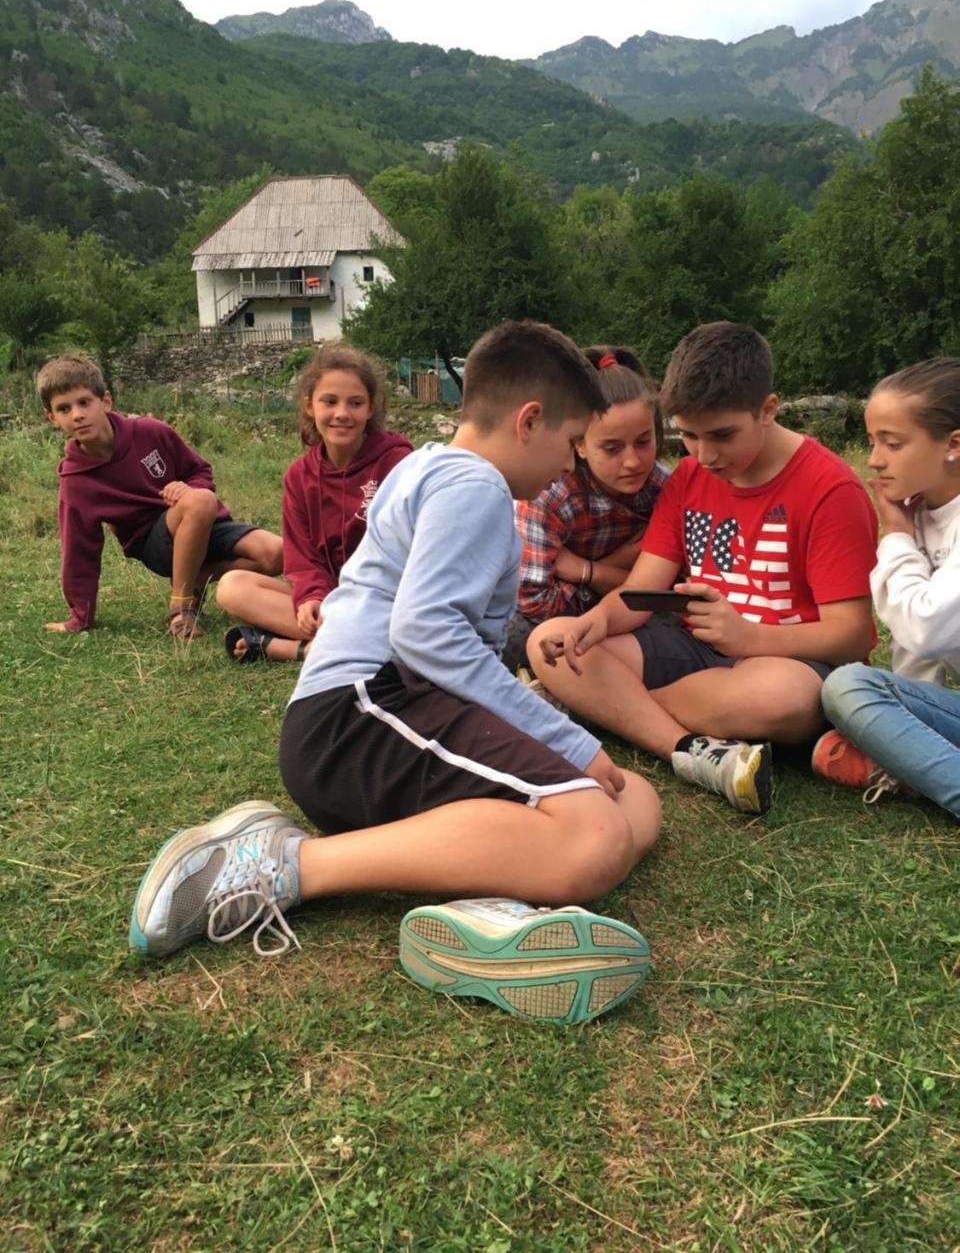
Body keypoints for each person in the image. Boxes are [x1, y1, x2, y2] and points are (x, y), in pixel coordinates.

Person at [129, 321, 662, 1025]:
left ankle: (491, 907)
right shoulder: (475, 485)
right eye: (571, 447)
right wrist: (567, 741)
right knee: (596, 832)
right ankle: (278, 865)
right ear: (530, 422)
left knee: (636, 803)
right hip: (363, 714)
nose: (571, 468)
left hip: (375, 718)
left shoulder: (427, 465)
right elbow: (426, 634)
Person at [526, 321, 878, 815]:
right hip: (692, 649)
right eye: (688, 436)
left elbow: (852, 635)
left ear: (768, 410)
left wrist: (751, 639)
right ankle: (688, 749)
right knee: (554, 645)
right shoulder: (688, 477)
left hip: (784, 661)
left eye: (722, 435)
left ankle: (610, 711)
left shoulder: (830, 489)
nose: (704, 455)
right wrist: (595, 623)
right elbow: (643, 588)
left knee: (788, 698)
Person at [39, 354, 283, 639]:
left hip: (205, 523)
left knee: (277, 554)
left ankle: (196, 579)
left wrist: (187, 487)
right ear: (52, 417)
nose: (77, 414)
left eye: (84, 402)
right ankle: (180, 610)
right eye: (64, 409)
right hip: (154, 545)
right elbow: (79, 552)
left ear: (106, 401)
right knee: (200, 501)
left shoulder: (150, 432)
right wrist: (80, 616)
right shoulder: (76, 482)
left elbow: (199, 471)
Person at [813, 359, 960, 816]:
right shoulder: (924, 513)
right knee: (849, 688)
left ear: (953, 445)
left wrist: (895, 536)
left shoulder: (910, 523)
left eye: (893, 444)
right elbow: (914, 652)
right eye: (873, 441)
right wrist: (900, 731)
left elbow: (927, 627)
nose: (874, 460)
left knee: (847, 687)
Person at [216, 344, 412, 663]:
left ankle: (294, 649)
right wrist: (312, 596)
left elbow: (411, 550)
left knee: (398, 625)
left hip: (388, 601)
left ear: (371, 409)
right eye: (329, 401)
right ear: (310, 406)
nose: (342, 414)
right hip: (332, 602)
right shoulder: (299, 476)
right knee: (232, 586)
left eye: (356, 403)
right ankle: (343, 642)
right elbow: (303, 556)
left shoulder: (397, 462)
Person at [503, 345, 669, 672]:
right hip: (532, 614)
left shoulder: (664, 488)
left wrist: (582, 568)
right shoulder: (548, 497)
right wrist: (615, 569)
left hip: (623, 614)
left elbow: (667, 588)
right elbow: (535, 605)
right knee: (518, 639)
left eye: (643, 441)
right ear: (579, 443)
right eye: (612, 448)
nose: (633, 461)